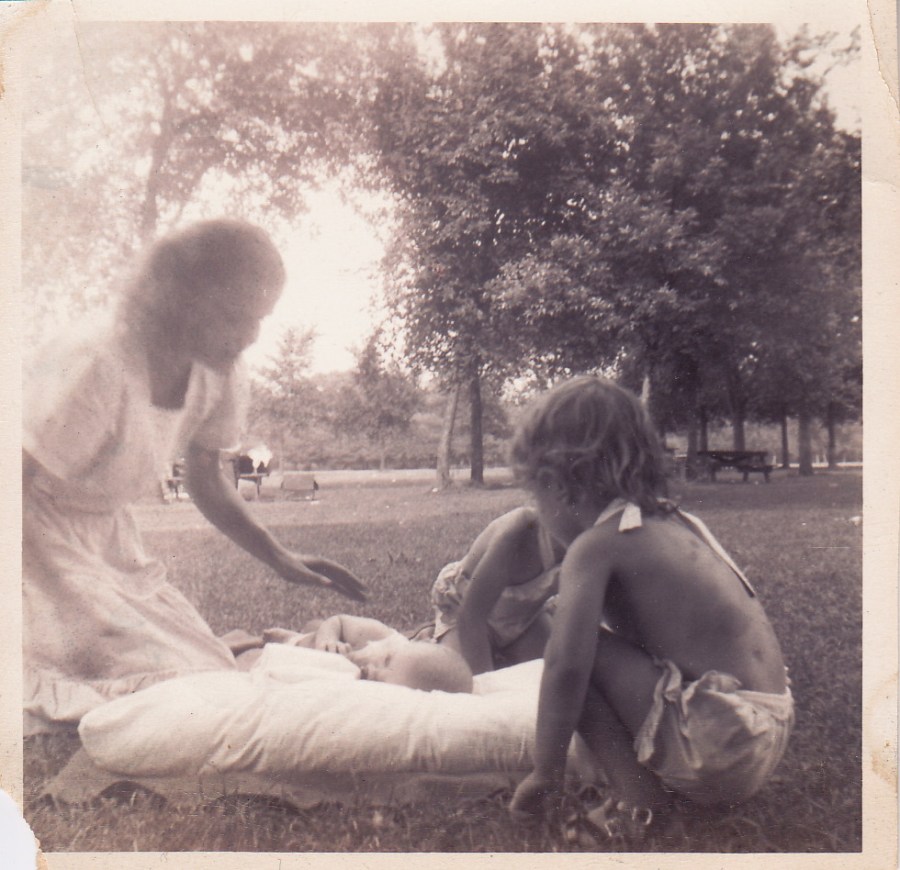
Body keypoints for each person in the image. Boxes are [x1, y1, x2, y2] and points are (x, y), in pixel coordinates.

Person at [22, 218, 367, 735]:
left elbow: (206, 478)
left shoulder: (219, 368)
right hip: (30, 541)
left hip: (109, 543)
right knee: (147, 688)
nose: (249, 336)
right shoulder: (95, 361)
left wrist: (281, 557)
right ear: (178, 301)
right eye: (234, 316)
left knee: (206, 670)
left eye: (260, 319)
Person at [507, 376, 794, 843]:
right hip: (767, 728)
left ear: (555, 485)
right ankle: (661, 788)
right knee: (594, 655)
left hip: (724, 749)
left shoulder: (595, 547)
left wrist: (546, 772)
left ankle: (641, 807)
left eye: (534, 499)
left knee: (580, 656)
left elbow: (564, 668)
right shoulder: (675, 522)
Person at [429, 506, 566, 674]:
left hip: (524, 618)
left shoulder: (592, 542)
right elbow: (471, 616)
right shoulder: (521, 529)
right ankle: (430, 637)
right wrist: (488, 687)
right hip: (464, 609)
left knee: (547, 674)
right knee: (456, 681)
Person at [266, 615, 474, 693]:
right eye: (386, 661)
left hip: (304, 665)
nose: (374, 670)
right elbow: (339, 621)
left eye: (384, 676)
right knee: (313, 627)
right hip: (308, 644)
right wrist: (328, 638)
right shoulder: (385, 641)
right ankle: (289, 636)